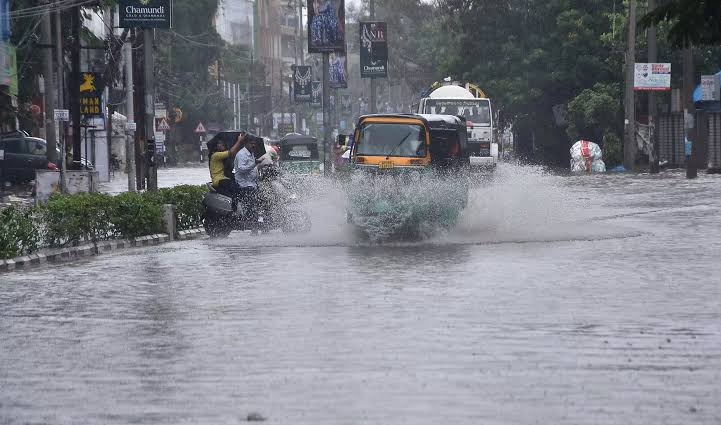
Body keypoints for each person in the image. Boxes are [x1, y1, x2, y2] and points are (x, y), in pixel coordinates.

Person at [234, 136, 267, 226]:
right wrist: (255, 163)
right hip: (244, 184)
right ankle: (250, 221)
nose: (253, 145)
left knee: (263, 198)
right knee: (252, 202)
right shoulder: (241, 154)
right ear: (246, 144)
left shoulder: (251, 153)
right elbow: (241, 169)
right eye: (251, 143)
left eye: (254, 144)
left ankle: (257, 220)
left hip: (252, 183)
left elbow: (253, 168)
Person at [208, 133, 244, 198]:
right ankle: (234, 206)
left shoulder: (224, 158)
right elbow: (230, 152)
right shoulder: (215, 155)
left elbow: (233, 155)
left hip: (224, 178)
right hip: (219, 180)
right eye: (218, 143)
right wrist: (239, 141)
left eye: (222, 143)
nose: (220, 145)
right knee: (235, 189)